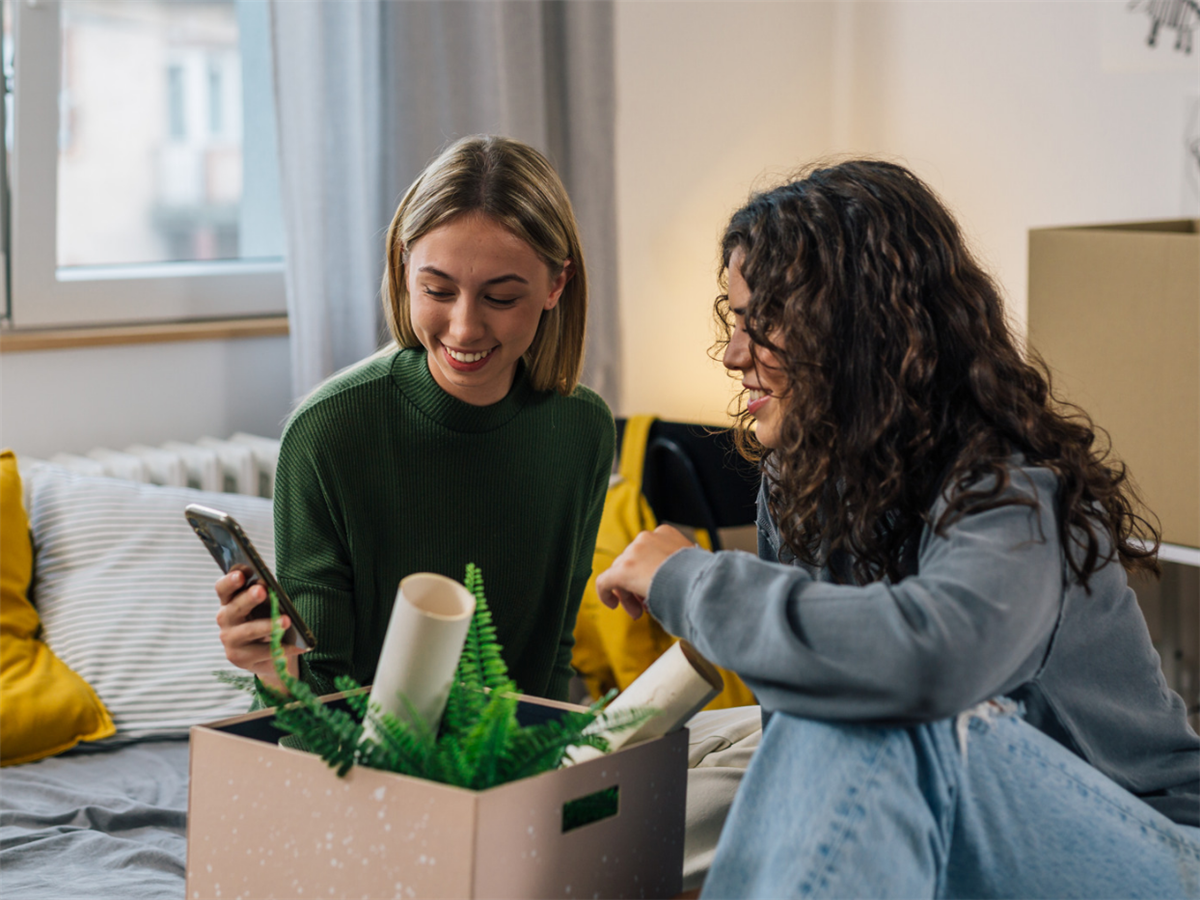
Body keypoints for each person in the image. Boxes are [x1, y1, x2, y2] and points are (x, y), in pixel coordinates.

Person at [596, 160, 1200, 899]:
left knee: (887, 707)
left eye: (763, 321)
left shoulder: (1009, 486)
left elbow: (923, 666)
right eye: (736, 319)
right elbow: (810, 706)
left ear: (856, 329)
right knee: (764, 735)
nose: (734, 353)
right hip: (978, 832)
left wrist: (689, 580)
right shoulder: (802, 481)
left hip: (1154, 847)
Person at [216, 135, 614, 703]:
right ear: (404, 270)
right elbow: (317, 700)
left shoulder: (583, 431)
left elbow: (550, 658)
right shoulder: (328, 431)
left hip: (511, 770)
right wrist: (273, 670)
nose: (463, 328)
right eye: (437, 289)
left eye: (501, 298)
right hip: (355, 776)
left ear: (557, 285)